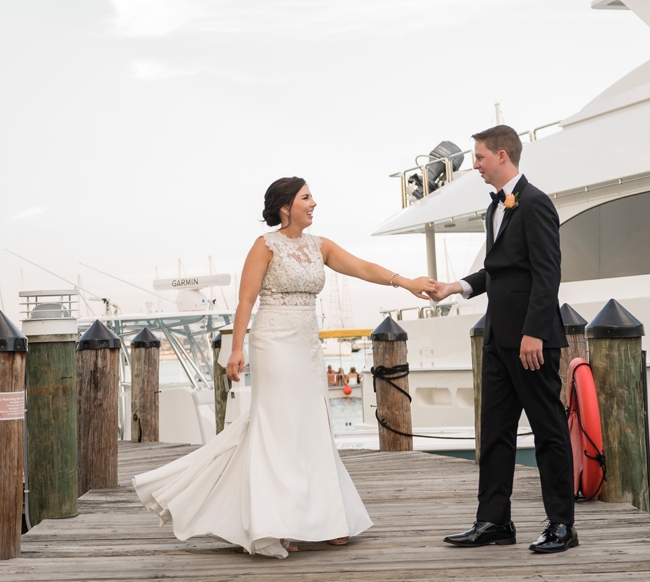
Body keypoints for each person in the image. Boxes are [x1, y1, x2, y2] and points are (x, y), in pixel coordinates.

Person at [133, 176, 436, 558]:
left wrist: (405, 281)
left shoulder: (319, 245)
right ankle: (281, 519)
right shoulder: (264, 246)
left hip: (307, 343)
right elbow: (245, 302)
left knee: (312, 426)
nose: (313, 204)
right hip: (273, 342)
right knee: (280, 427)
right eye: (306, 198)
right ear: (284, 206)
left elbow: (361, 267)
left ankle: (328, 518)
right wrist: (237, 348)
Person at [431, 125, 577, 555]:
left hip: (531, 340)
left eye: (478, 157)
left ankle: (562, 525)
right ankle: (494, 520)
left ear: (500, 156)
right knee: (495, 432)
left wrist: (534, 332)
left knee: (549, 431)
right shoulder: (496, 208)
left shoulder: (535, 204)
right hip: (497, 338)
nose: (474, 165)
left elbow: (547, 273)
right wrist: (454, 287)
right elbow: (498, 270)